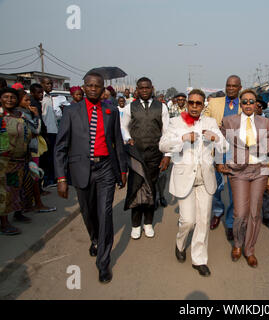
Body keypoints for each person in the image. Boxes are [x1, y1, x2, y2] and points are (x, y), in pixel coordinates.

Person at [54, 72, 127, 283]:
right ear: (83, 87)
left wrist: (122, 170)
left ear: (103, 88)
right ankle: (95, 239)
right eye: (90, 85)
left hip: (105, 168)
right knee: (88, 212)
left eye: (98, 86)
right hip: (80, 169)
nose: (94, 89)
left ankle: (103, 263)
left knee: (105, 214)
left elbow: (117, 143)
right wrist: (61, 177)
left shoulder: (110, 111)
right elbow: (60, 147)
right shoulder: (71, 111)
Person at [160, 89, 228, 277]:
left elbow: (224, 146)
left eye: (199, 103)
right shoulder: (176, 122)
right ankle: (180, 244)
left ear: (204, 105)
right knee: (188, 221)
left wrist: (214, 137)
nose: (195, 106)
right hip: (184, 178)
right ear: (187, 103)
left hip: (205, 179)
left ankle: (199, 259)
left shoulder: (210, 123)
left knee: (203, 221)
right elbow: (163, 145)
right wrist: (182, 138)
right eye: (192, 103)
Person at [217, 89, 269, 268]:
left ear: (257, 104)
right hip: (238, 171)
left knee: (255, 213)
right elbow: (218, 142)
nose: (248, 105)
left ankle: (249, 250)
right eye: (245, 102)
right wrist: (219, 162)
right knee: (240, 213)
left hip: (259, 170)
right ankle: (238, 244)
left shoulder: (265, 122)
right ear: (240, 104)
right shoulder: (229, 121)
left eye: (252, 101)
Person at [121, 77, 171, 239]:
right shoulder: (130, 107)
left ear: (152, 88)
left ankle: (148, 223)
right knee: (135, 188)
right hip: (136, 155)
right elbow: (123, 126)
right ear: (137, 89)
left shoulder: (161, 107)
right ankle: (135, 225)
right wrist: (128, 138)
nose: (144, 90)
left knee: (151, 188)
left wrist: (167, 155)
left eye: (147, 88)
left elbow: (167, 132)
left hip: (154, 155)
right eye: (141, 88)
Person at [204, 75, 242, 240]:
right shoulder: (214, 103)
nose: (231, 88)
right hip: (217, 151)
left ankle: (231, 222)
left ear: (240, 87)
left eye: (234, 86)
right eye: (228, 85)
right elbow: (203, 122)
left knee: (235, 190)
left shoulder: (246, 104)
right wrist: (214, 129)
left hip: (237, 152)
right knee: (217, 187)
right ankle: (217, 212)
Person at [0, 88, 33, 235]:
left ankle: (17, 213)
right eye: (6, 97)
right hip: (4, 161)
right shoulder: (1, 116)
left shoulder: (20, 115)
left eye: (12, 97)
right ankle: (4, 223)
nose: (9, 99)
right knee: (3, 192)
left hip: (19, 159)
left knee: (15, 188)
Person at [17, 90, 56, 214]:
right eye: (26, 100)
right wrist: (37, 115)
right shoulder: (24, 114)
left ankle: (28, 205)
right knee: (34, 178)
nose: (29, 102)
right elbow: (36, 130)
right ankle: (37, 204)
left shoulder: (22, 113)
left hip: (28, 150)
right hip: (30, 151)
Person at [255, 96, 269, 225]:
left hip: (264, 158)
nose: (254, 107)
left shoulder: (266, 122)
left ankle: (267, 215)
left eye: (257, 105)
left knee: (266, 190)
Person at [40, 77, 61, 188]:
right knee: (47, 158)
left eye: (51, 84)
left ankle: (51, 179)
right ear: (42, 84)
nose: (50, 86)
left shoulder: (50, 98)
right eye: (47, 83)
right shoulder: (41, 98)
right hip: (47, 132)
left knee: (53, 156)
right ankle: (47, 180)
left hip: (53, 130)